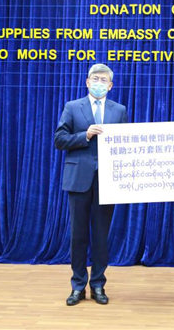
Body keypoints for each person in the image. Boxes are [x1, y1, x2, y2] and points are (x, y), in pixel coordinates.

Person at [54, 64, 128, 306]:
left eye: (103, 80)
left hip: (108, 182)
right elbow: (59, 139)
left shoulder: (119, 110)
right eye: (95, 79)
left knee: (101, 236)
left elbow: (126, 145)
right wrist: (84, 135)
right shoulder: (72, 107)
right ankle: (77, 286)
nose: (98, 83)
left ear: (110, 85)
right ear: (87, 82)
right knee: (78, 236)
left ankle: (98, 284)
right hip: (78, 180)